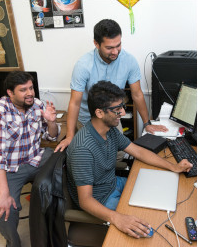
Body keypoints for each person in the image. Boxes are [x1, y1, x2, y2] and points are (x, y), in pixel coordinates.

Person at [66, 81, 192, 238]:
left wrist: (173, 166)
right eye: (117, 109)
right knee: (149, 227)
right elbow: (85, 201)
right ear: (99, 113)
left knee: (163, 193)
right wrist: (117, 218)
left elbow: (138, 151)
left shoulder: (109, 130)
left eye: (122, 107)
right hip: (101, 200)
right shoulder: (82, 149)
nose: (122, 112)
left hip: (114, 183)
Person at [55, 19, 167, 152]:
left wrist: (147, 123)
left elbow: (137, 94)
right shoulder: (83, 65)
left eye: (118, 45)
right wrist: (69, 136)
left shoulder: (129, 61)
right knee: (90, 154)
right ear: (96, 43)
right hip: (87, 118)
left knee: (117, 154)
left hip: (112, 116)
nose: (115, 52)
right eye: (109, 48)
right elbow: (75, 103)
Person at [0, 71, 60, 247]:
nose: (30, 93)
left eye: (31, 88)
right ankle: (13, 242)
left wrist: (52, 122)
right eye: (23, 90)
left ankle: (52, 215)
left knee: (63, 165)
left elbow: (52, 137)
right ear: (10, 93)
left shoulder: (37, 104)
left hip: (34, 159)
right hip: (8, 168)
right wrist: (4, 193)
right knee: (5, 209)